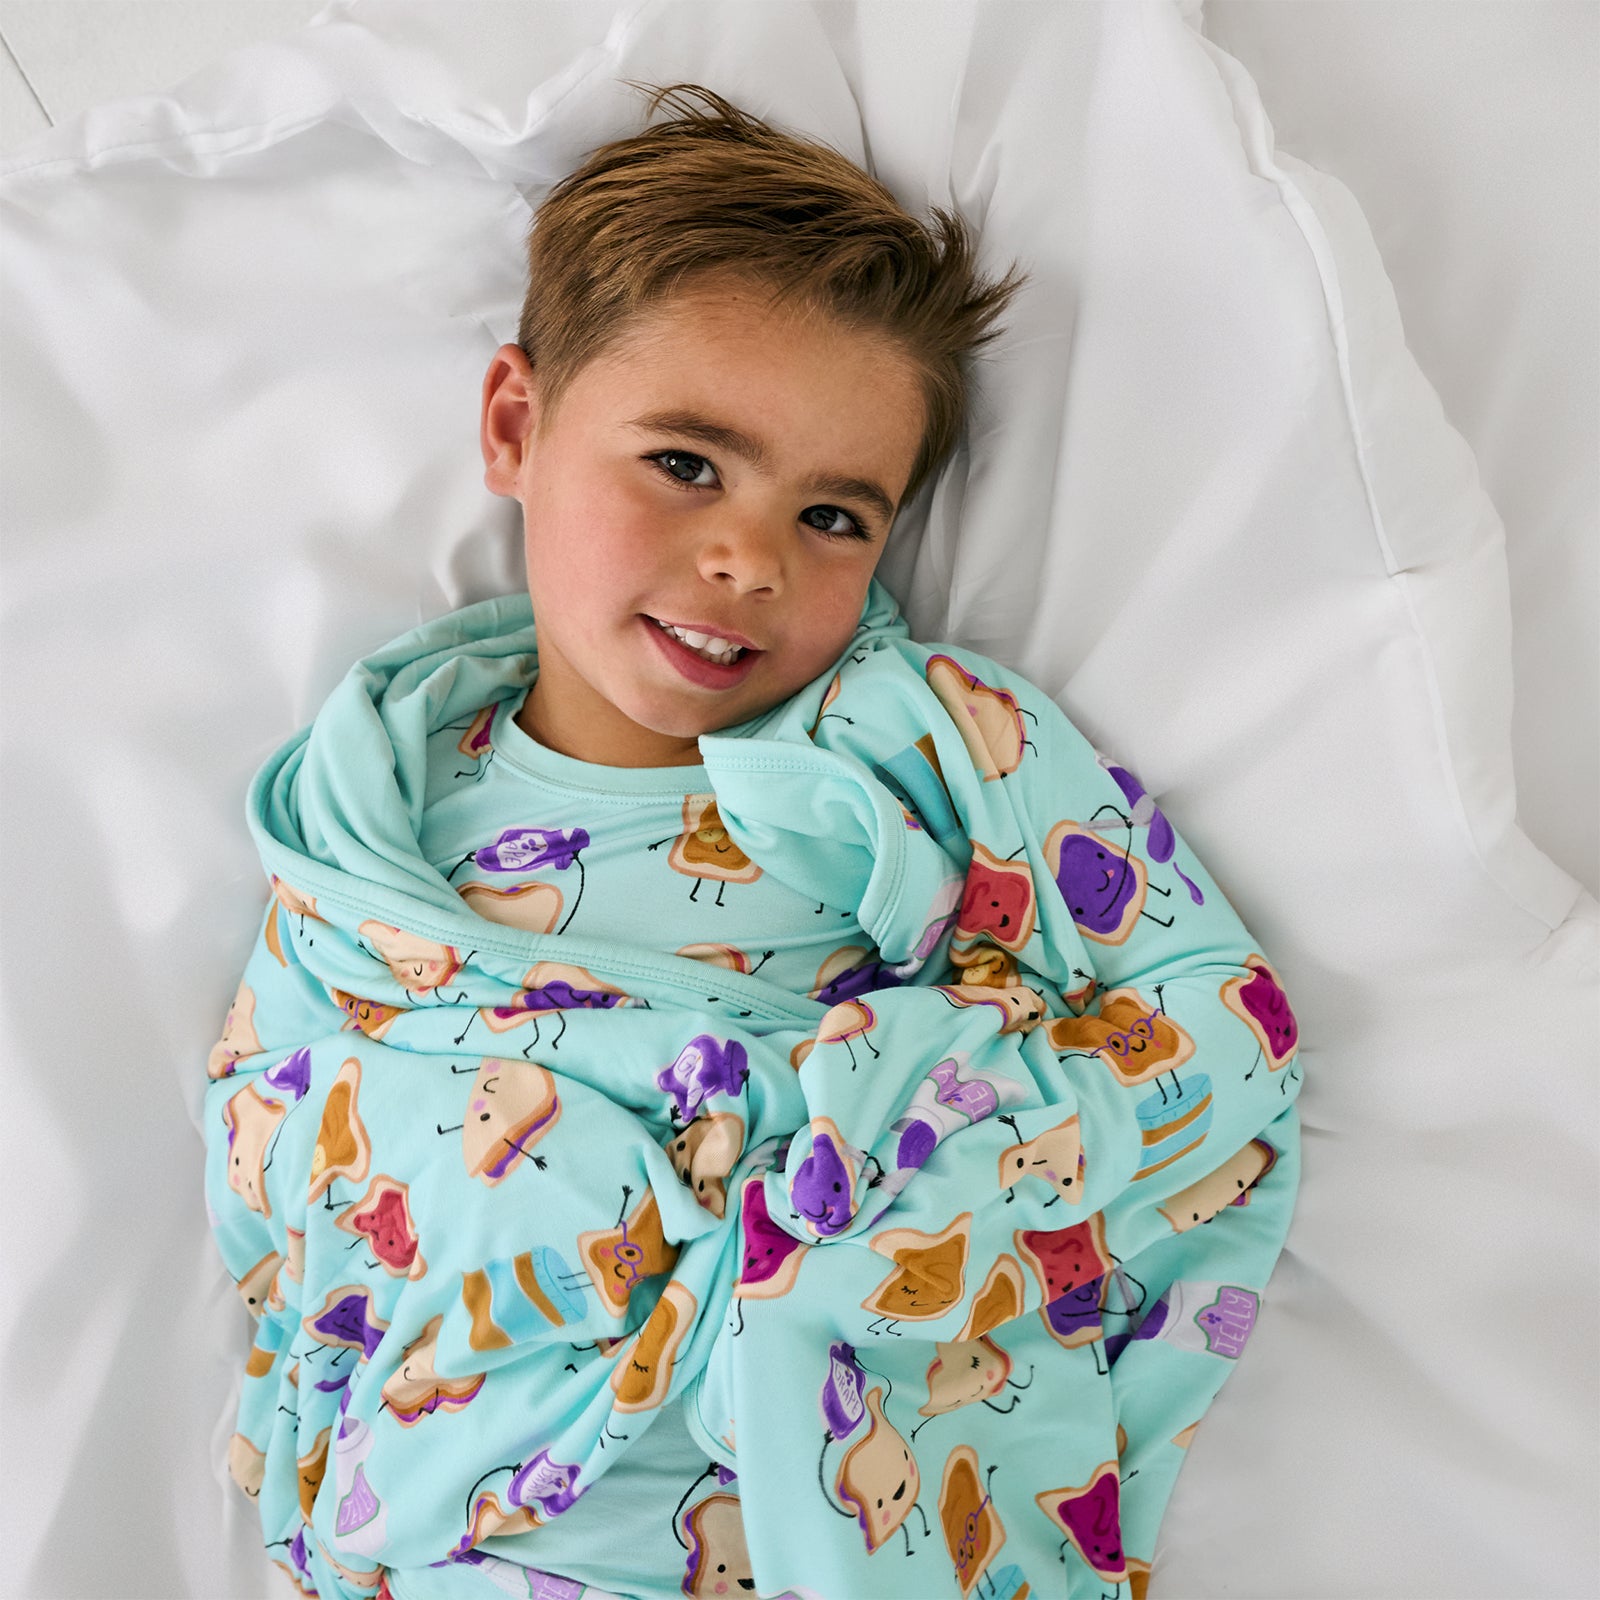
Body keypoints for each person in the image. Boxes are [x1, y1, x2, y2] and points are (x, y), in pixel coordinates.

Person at [204, 82, 1302, 1600]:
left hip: (831, 1473)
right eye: (687, 465)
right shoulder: (371, 811)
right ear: (517, 425)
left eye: (835, 518)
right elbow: (280, 1145)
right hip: (469, 1505)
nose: (746, 560)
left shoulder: (926, 748)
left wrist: (892, 1137)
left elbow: (1215, 1025)